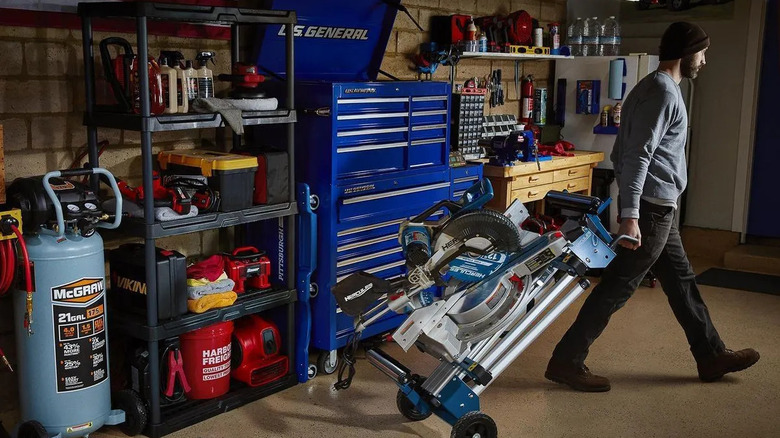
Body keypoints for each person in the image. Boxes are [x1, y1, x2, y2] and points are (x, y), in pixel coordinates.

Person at [544, 22, 760, 392]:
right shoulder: (663, 93)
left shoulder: (649, 87)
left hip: (660, 207)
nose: (705, 61)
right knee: (619, 286)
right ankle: (567, 360)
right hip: (651, 209)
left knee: (680, 281)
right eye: (703, 53)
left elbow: (621, 152)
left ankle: (710, 355)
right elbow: (638, 155)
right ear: (687, 52)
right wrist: (630, 217)